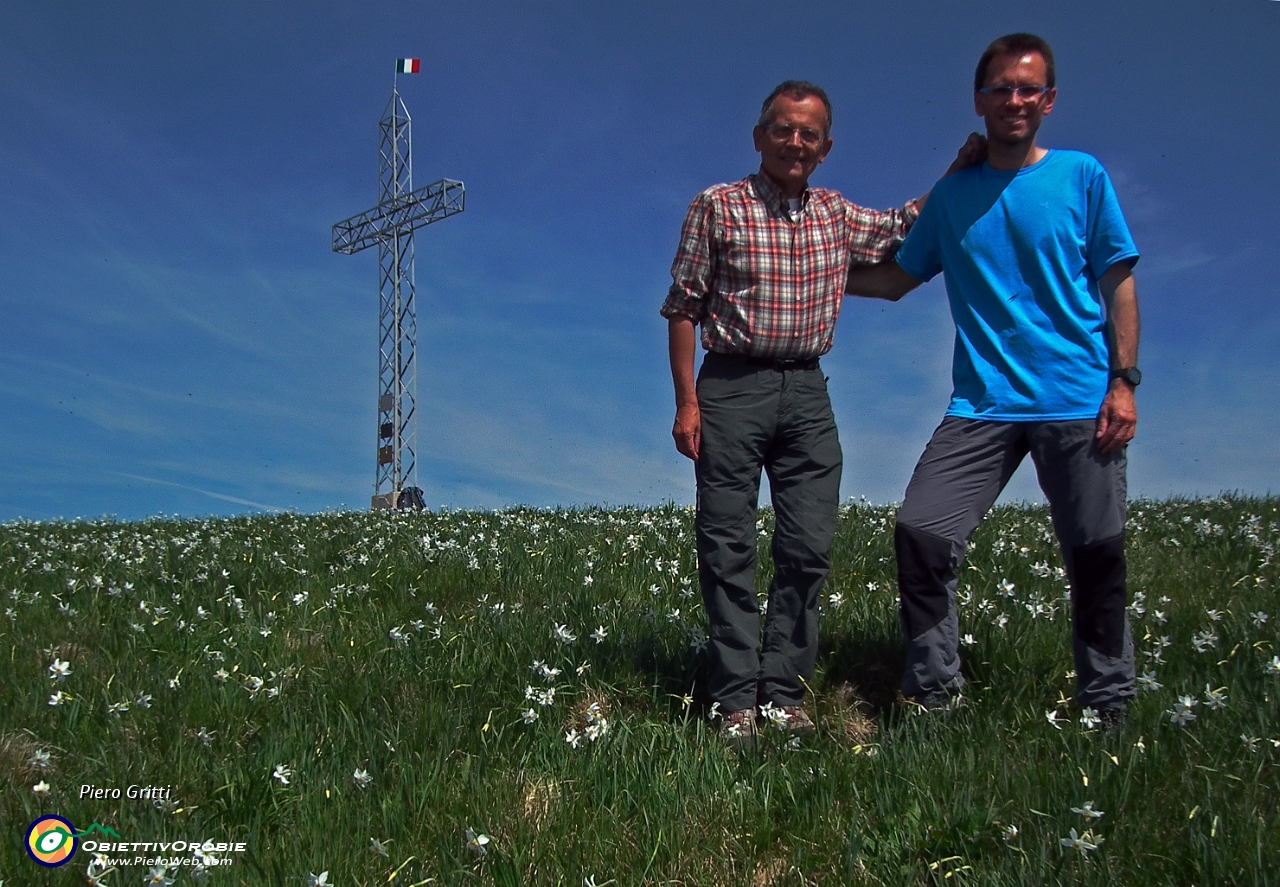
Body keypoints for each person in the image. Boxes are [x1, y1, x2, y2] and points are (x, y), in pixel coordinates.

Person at [663, 80, 981, 747]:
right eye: (783, 129)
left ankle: (782, 694)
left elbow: (901, 225)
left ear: (826, 147)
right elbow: (683, 306)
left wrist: (959, 170)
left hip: (807, 394)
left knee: (807, 545)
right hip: (730, 384)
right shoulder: (717, 206)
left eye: (809, 134)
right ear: (759, 137)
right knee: (727, 544)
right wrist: (687, 401)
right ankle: (733, 700)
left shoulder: (835, 214)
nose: (795, 142)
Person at [845, 34, 1141, 725]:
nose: (1015, 100)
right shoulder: (953, 197)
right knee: (921, 530)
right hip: (982, 403)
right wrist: (803, 277)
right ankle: (934, 696)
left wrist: (1122, 381)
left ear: (1049, 100)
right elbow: (894, 280)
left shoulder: (1081, 177)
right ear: (978, 100)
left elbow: (1118, 282)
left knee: (1095, 554)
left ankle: (1109, 706)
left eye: (1028, 89)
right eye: (1001, 88)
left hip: (1077, 397)